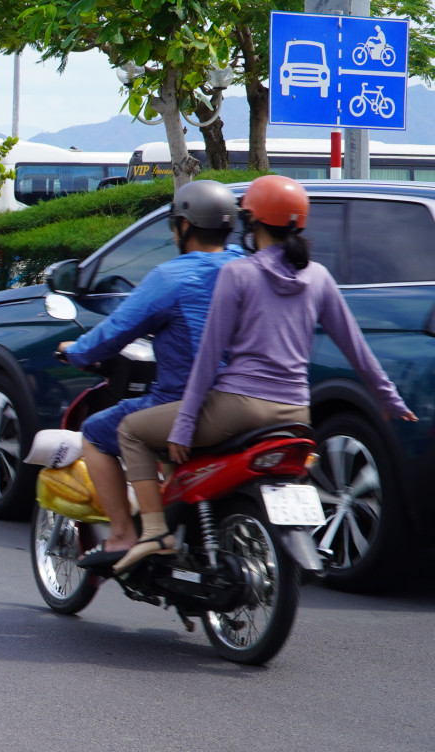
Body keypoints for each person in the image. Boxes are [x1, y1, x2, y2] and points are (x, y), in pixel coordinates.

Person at [111, 175, 416, 571]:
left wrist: (185, 423)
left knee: (132, 430)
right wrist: (389, 399)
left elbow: (209, 356)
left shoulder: (239, 274)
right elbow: (356, 347)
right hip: (296, 414)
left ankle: (155, 532)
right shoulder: (318, 277)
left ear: (250, 220)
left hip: (238, 408)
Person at [57, 180, 239, 570]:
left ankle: (125, 534)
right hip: (250, 402)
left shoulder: (171, 277)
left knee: (98, 431)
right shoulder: (248, 266)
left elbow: (115, 331)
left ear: (184, 227)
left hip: (183, 403)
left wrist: (76, 352)